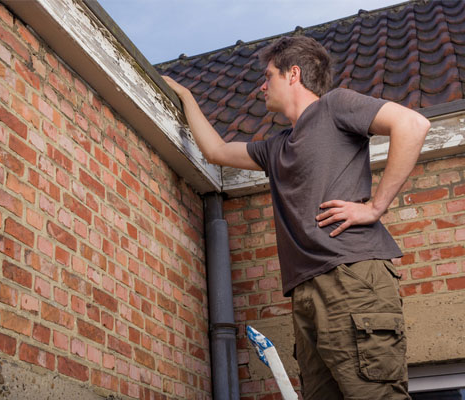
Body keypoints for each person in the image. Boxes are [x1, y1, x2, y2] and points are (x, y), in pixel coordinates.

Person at [163, 36, 430, 400]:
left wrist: (375, 207)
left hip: (351, 277)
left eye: (268, 75)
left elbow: (413, 125)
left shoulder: (335, 106)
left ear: (293, 74)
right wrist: (185, 95)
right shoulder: (276, 147)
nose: (262, 84)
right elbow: (216, 150)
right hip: (306, 291)